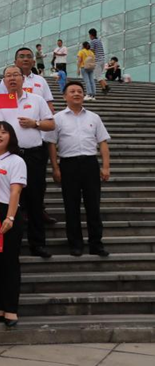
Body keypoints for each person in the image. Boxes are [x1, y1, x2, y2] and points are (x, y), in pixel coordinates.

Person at [47, 81, 111, 258]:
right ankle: (75, 244)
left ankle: (96, 244)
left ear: (83, 95)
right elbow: (51, 144)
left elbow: (103, 142)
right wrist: (55, 167)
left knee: (93, 206)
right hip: (68, 165)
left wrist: (106, 167)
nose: (76, 94)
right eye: (72, 91)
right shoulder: (57, 118)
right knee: (71, 206)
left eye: (79, 91)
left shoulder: (94, 117)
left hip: (90, 164)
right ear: (64, 96)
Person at [0, 65, 55, 258]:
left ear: (23, 79)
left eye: (16, 75)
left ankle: (37, 243)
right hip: (9, 157)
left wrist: (34, 123)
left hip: (33, 155)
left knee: (35, 199)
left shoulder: (37, 99)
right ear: (4, 81)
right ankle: (13, 243)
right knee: (10, 201)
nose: (12, 78)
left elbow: (51, 124)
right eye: (8, 76)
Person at [0, 121, 27, 328]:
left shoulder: (16, 160)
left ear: (11, 137)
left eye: (3, 132)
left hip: (7, 212)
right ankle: (0, 306)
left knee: (10, 262)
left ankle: (11, 308)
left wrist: (9, 218)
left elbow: (15, 191)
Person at [89, 28, 109, 96]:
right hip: (102, 60)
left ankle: (104, 88)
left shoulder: (92, 41)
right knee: (99, 75)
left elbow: (92, 51)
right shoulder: (99, 41)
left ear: (91, 35)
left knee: (98, 76)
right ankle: (106, 86)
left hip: (97, 60)